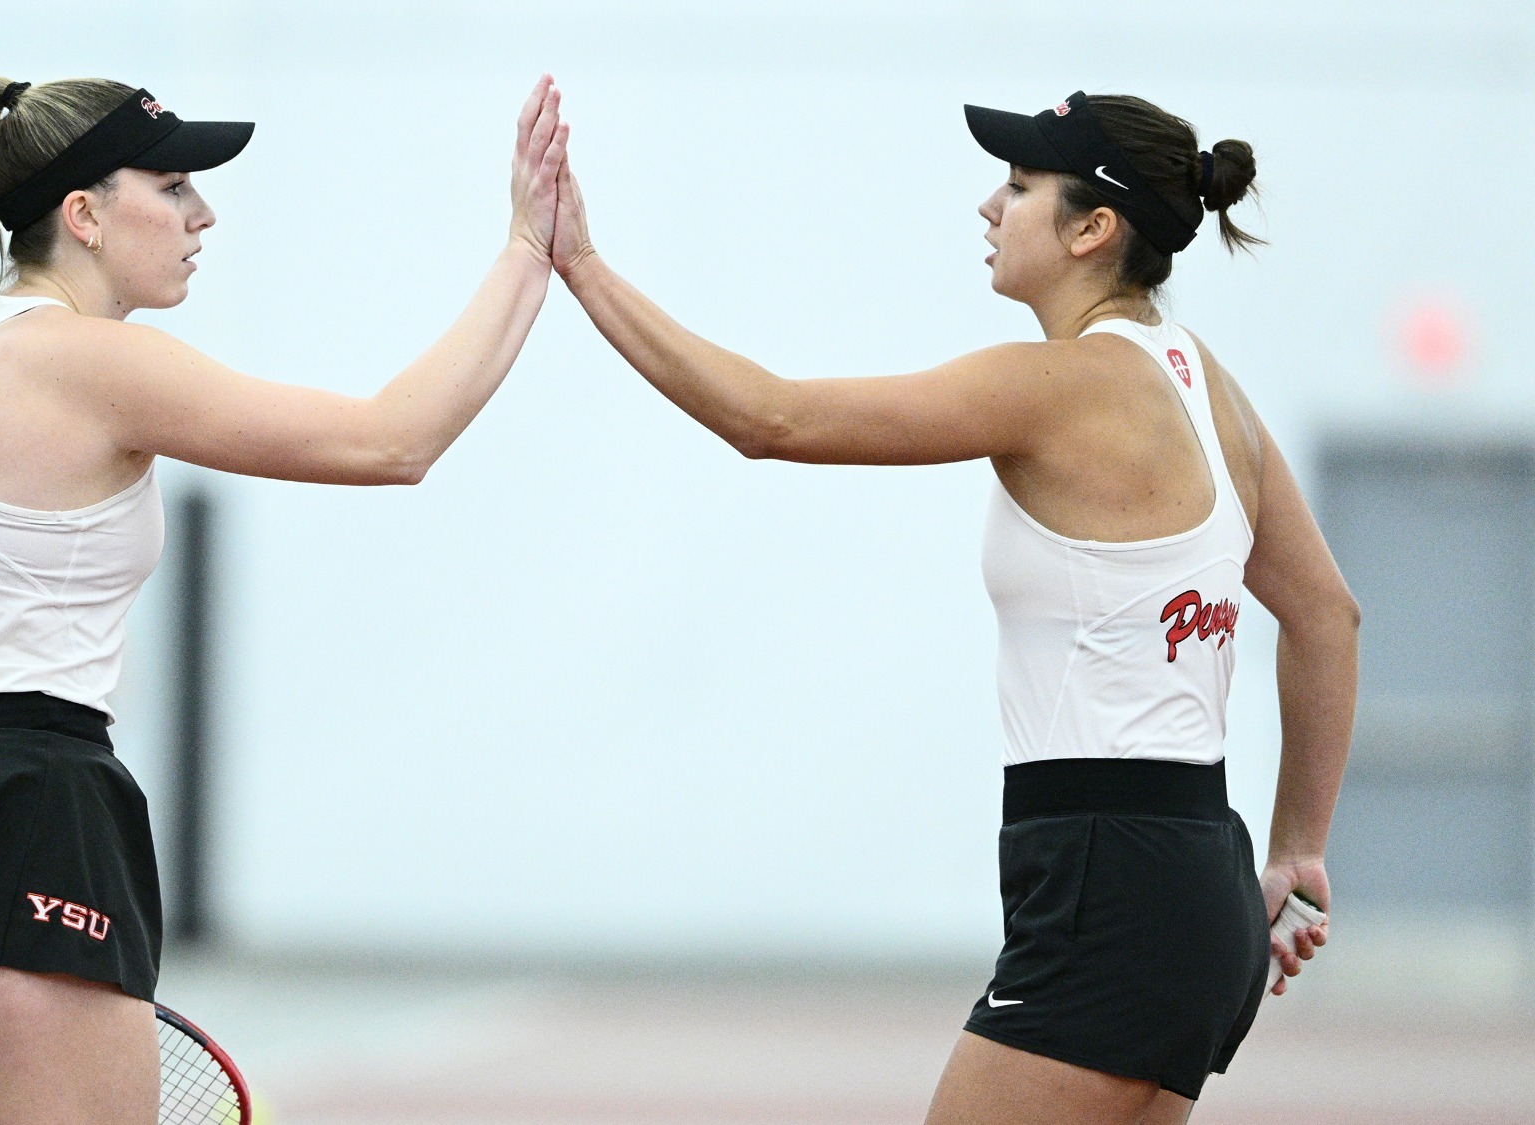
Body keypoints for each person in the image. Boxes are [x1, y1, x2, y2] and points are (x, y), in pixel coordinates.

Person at [548, 90, 1358, 1123]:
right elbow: (1327, 616)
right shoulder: (1210, 388)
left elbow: (769, 417)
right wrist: (1294, 851)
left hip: (1101, 884)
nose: (989, 205)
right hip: (1202, 877)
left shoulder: (1051, 386)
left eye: (1019, 187)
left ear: (1091, 229)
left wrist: (582, 267)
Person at [0, 74, 569, 1123]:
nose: (203, 215)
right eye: (173, 184)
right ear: (86, 215)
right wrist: (528, 253)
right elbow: (391, 441)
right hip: (30, 807)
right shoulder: (93, 363)